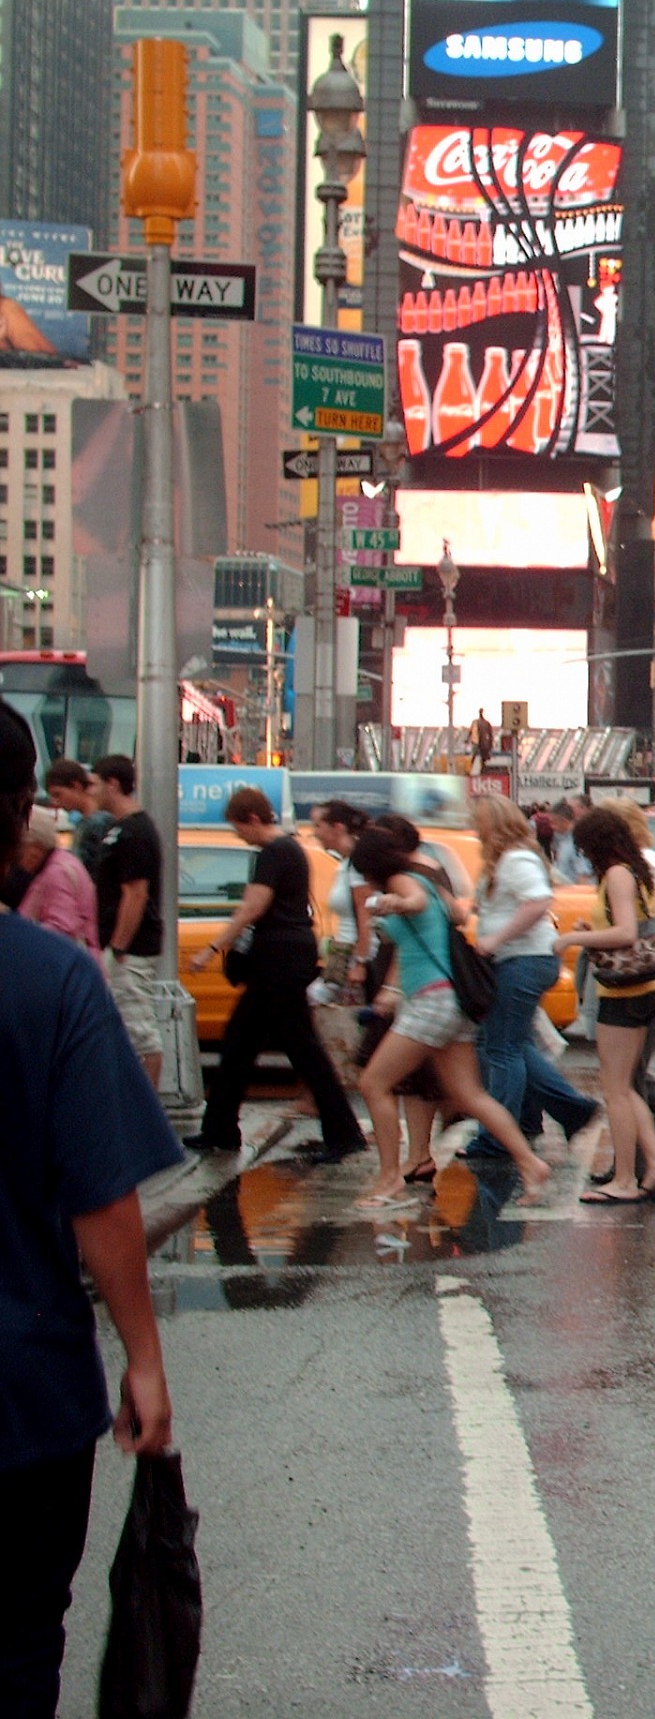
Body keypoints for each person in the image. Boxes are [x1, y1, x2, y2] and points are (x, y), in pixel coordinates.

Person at [0, 705, 182, 1719]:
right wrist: (143, 1360)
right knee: (23, 1646)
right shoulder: (53, 980)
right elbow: (102, 1200)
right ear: (23, 813)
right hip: (26, 1393)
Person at [351, 817, 553, 1210]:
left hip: (431, 1000)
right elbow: (454, 916)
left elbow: (416, 903)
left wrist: (396, 903)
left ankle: (390, 1178)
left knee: (374, 1084)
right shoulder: (427, 874)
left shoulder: (402, 881)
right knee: (469, 1094)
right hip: (450, 1000)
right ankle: (530, 1163)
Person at [189, 787, 367, 1159]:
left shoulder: (274, 852)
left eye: (239, 828)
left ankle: (343, 1133)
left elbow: (253, 907)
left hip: (277, 961)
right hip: (282, 958)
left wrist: (211, 948)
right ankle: (219, 1127)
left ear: (252, 819)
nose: (239, 836)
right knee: (241, 1042)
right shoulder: (285, 849)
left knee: (300, 1048)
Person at [556, 805, 655, 1204]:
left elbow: (626, 933)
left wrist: (574, 940)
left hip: (624, 993)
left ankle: (625, 1178)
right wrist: (592, 931)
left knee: (617, 1090)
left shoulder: (617, 875)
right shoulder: (633, 871)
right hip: (637, 990)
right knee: (626, 1086)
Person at [463, 793, 598, 1152]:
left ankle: (497, 1135)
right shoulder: (505, 862)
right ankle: (570, 1109)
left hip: (523, 959)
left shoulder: (515, 860)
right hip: (521, 959)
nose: (474, 830)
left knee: (501, 1048)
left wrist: (495, 938)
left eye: (478, 824)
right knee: (514, 1044)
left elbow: (538, 902)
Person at [90, 755, 165, 1085]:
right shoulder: (120, 829)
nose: (90, 790)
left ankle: (147, 1117)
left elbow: (136, 894)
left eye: (94, 783)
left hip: (129, 949)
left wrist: (119, 946)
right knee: (126, 1029)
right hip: (119, 946)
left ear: (113, 784)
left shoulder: (135, 832)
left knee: (139, 1033)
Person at [12, 805, 99, 958]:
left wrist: (20, 933)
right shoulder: (59, 863)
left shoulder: (57, 873)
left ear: (35, 848)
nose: (16, 860)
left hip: (69, 968)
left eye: (19, 850)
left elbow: (62, 927)